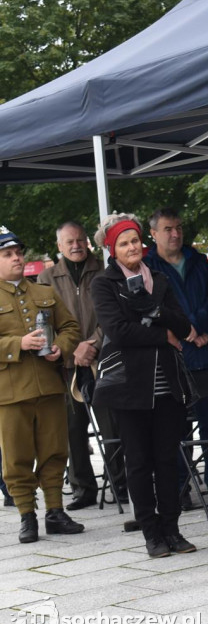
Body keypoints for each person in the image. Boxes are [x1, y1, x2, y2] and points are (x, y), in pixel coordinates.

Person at [90, 213, 198, 558]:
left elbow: (182, 326)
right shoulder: (104, 284)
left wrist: (155, 312)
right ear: (112, 250)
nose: (132, 247)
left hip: (167, 385)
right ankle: (151, 533)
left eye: (135, 240)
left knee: (167, 459)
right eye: (124, 243)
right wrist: (160, 334)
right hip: (129, 386)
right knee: (138, 462)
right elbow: (118, 331)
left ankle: (172, 529)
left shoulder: (160, 280)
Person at [143, 207, 208, 507]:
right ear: (154, 233)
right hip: (176, 356)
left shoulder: (198, 261)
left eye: (178, 227)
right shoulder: (148, 266)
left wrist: (199, 326)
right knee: (176, 428)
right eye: (168, 229)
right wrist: (186, 331)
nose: (175, 233)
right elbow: (152, 306)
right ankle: (180, 487)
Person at [0, 225, 84, 543]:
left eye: (19, 253)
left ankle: (55, 511)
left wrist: (62, 346)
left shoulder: (43, 292)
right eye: (8, 254)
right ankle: (26, 515)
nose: (17, 258)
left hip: (48, 387)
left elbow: (71, 326)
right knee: (16, 458)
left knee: (53, 452)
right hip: (10, 393)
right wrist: (17, 344)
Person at [37, 221, 128, 509]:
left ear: (87, 242)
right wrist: (72, 347)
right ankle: (82, 489)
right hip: (65, 364)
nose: (76, 245)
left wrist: (93, 344)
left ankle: (122, 484)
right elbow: (44, 322)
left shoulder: (104, 271)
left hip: (104, 359)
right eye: (69, 242)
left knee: (112, 425)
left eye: (80, 240)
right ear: (59, 247)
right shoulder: (46, 277)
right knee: (72, 430)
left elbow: (114, 314)